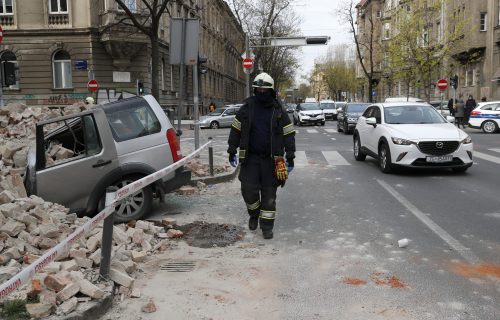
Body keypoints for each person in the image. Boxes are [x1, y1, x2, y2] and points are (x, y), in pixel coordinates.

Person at [227, 72, 296, 240]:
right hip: (250, 159)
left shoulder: (278, 110)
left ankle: (267, 227)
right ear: (255, 90)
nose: (261, 93)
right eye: (258, 89)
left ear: (271, 91)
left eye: (265, 90)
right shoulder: (247, 108)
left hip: (272, 161)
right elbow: (236, 129)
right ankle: (253, 214)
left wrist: (290, 155)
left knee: (269, 196)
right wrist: (231, 149)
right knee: (248, 192)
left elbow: (288, 133)